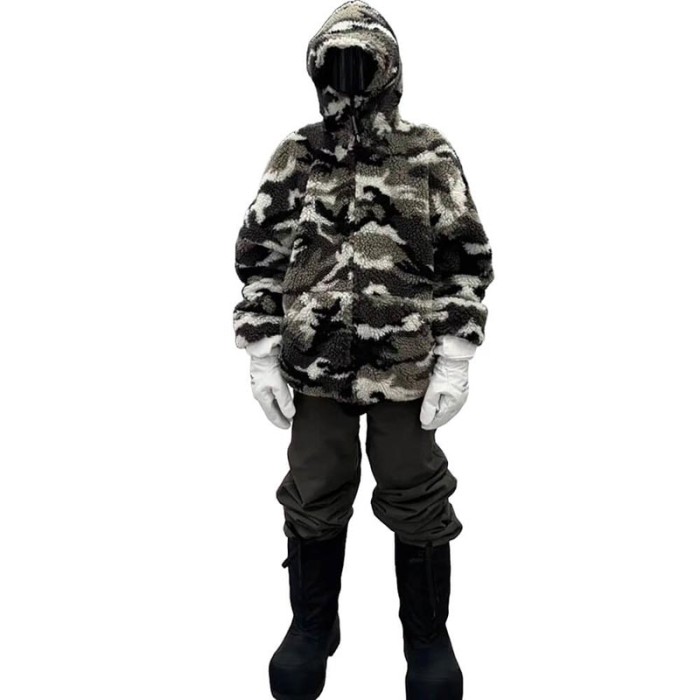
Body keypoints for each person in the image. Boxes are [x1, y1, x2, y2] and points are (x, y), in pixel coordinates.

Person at [232, 2, 494, 698]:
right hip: (313, 365)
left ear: (390, 68)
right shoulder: (297, 154)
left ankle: (427, 636)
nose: (350, 74)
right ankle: (312, 624)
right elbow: (260, 258)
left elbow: (465, 262)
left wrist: (456, 354)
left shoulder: (428, 154)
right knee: (314, 486)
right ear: (316, 69)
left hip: (406, 367)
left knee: (415, 486)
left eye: (364, 61)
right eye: (336, 61)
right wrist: (261, 349)